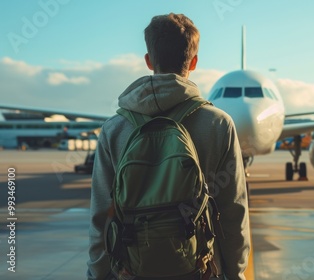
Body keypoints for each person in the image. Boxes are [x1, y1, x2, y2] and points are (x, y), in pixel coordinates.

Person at [87, 13, 251, 280]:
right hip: (200, 269)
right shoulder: (219, 124)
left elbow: (101, 217)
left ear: (149, 61)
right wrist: (235, 274)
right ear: (194, 62)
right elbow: (233, 214)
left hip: (132, 270)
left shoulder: (114, 129)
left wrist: (97, 274)